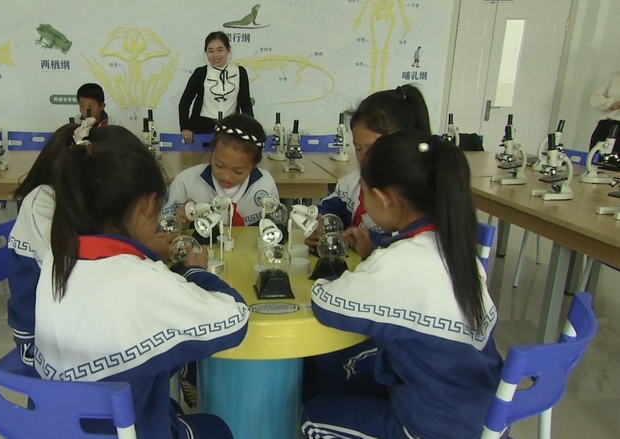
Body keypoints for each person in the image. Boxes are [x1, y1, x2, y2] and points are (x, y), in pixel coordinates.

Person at [33, 124, 247, 438]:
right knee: (215, 429)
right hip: (123, 429)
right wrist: (195, 272)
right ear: (147, 205)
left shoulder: (56, 258)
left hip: (61, 425)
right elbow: (235, 319)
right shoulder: (142, 280)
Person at [301, 132, 502, 439]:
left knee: (313, 415)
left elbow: (326, 304)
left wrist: (336, 272)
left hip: (432, 428)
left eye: (365, 194)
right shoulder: (457, 249)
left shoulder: (402, 260)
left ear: (384, 199)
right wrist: (372, 255)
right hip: (479, 415)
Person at [8, 121, 176, 367]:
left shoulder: (81, 201)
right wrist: (145, 250)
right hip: (40, 339)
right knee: (150, 351)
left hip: (77, 322)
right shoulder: (41, 202)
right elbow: (78, 271)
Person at [306, 84, 432, 249]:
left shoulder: (412, 196)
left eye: (373, 148)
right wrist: (321, 225)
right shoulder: (353, 182)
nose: (364, 158)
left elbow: (405, 244)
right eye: (358, 148)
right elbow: (333, 208)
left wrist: (371, 243)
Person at [163, 113, 277, 228]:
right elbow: (161, 226)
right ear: (212, 152)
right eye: (219, 165)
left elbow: (276, 224)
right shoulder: (186, 183)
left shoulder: (265, 185)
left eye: (238, 171)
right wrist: (177, 222)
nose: (226, 176)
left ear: (254, 166)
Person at [178, 31, 253, 144]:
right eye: (211, 51)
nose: (215, 55)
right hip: (202, 129)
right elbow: (184, 103)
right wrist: (185, 127)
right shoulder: (200, 73)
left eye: (220, 50)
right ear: (206, 53)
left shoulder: (240, 72)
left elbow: (246, 104)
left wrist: (250, 129)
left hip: (231, 129)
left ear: (228, 50)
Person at [589, 70, 620, 153]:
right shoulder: (615, 76)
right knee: (594, 158)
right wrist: (611, 104)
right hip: (606, 125)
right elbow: (594, 99)